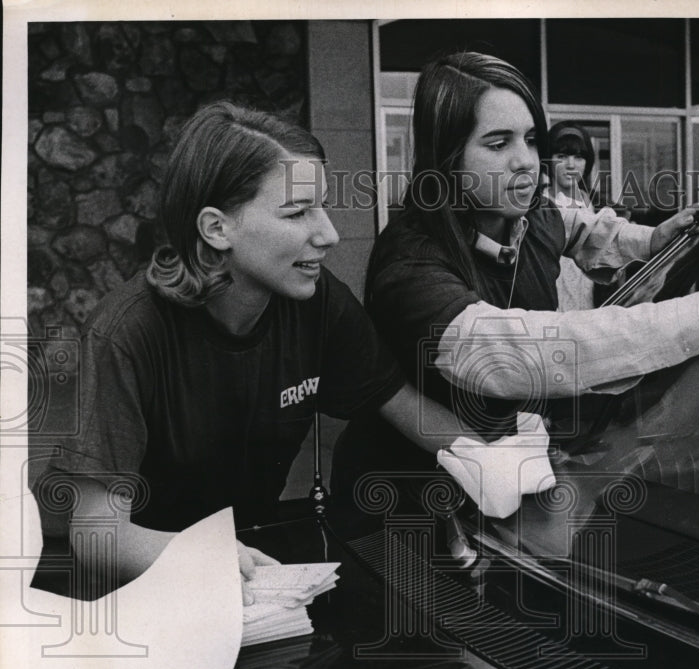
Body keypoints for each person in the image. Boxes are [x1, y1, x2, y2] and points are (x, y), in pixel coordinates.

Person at [31, 101, 477, 603]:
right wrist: (203, 559)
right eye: (297, 212)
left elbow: (399, 401)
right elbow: (96, 532)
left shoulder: (316, 299)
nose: (328, 234)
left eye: (323, 206)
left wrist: (496, 462)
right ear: (217, 229)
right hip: (120, 593)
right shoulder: (127, 334)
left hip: (243, 571)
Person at [334, 52, 699, 488]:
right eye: (498, 143)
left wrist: (651, 239)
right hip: (407, 498)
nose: (526, 162)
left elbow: (583, 227)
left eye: (529, 139)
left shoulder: (530, 214)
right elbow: (518, 356)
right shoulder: (410, 263)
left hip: (515, 485)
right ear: (446, 156)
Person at [544, 120, 598, 310]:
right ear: (548, 160)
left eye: (579, 157)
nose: (571, 165)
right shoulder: (534, 208)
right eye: (562, 156)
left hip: (593, 314)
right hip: (550, 316)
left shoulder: (599, 206)